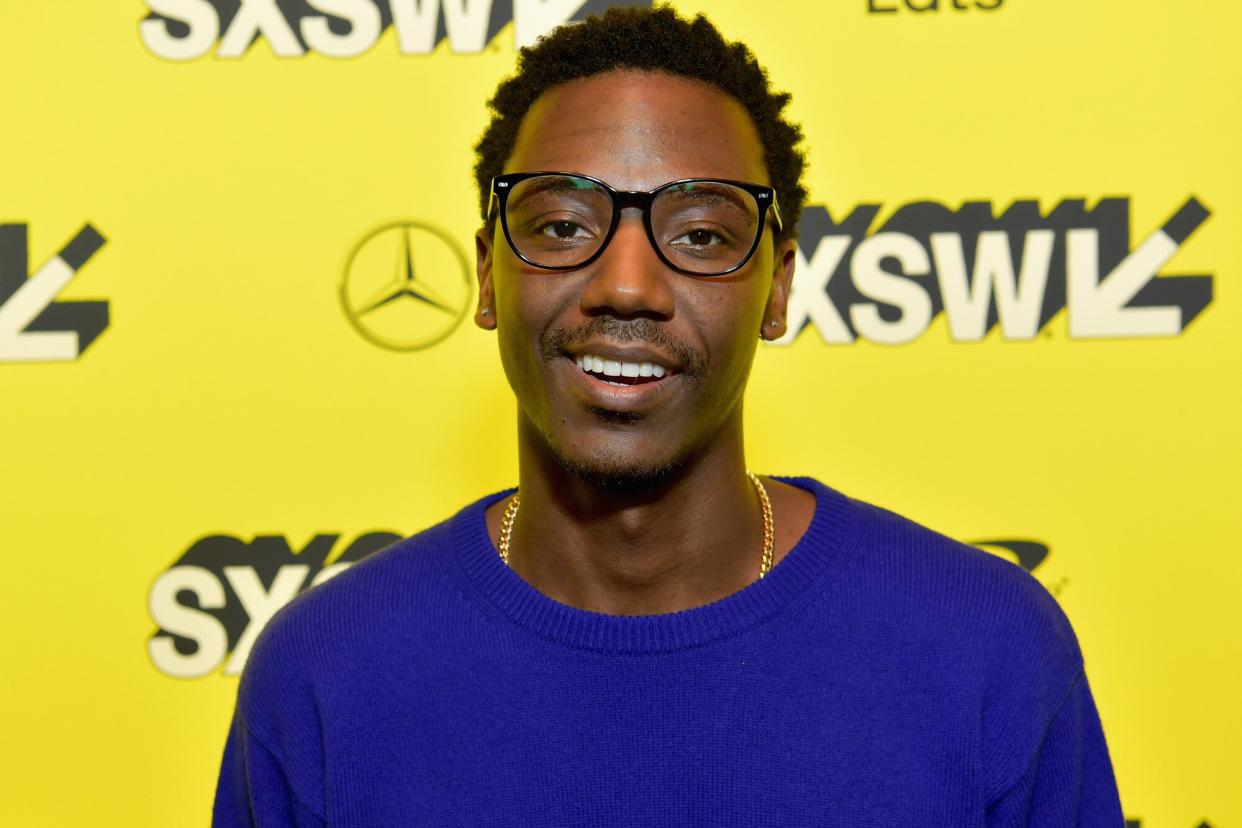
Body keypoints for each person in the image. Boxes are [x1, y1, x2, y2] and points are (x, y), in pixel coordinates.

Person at [213, 7, 1125, 825]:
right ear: (488, 274)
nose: (626, 284)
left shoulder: (982, 653)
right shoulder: (326, 676)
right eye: (564, 225)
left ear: (779, 289)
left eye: (700, 235)